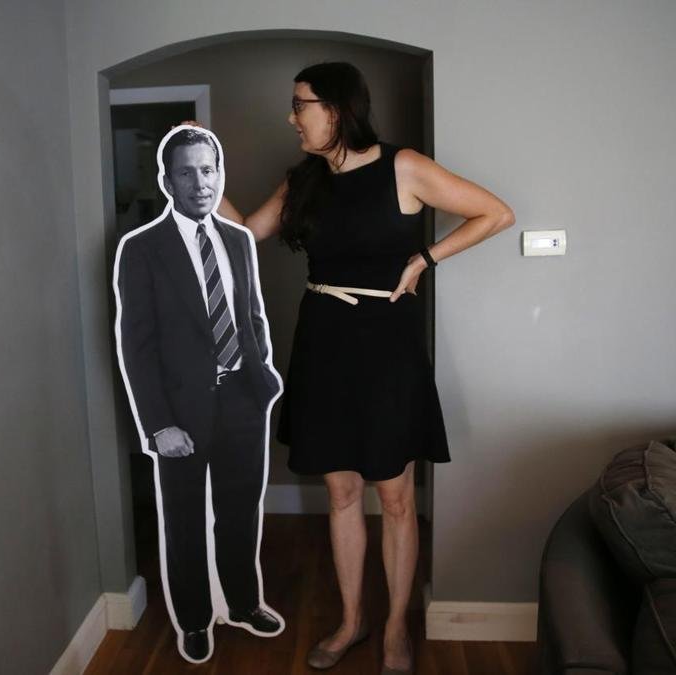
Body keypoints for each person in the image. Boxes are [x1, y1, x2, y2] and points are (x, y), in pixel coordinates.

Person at [216, 62, 515, 674]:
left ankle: (396, 627)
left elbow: (495, 213)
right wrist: (201, 165)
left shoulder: (403, 167)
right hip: (323, 344)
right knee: (341, 491)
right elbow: (244, 233)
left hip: (386, 349)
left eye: (300, 105)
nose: (291, 118)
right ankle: (353, 622)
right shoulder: (302, 180)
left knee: (395, 496)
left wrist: (425, 258)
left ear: (336, 108)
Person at [114, 127, 284, 664]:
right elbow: (137, 346)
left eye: (207, 170)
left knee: (240, 513)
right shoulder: (142, 250)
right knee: (185, 521)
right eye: (185, 172)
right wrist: (158, 424)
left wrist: (262, 378)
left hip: (243, 402)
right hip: (180, 413)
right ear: (167, 181)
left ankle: (243, 603)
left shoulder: (237, 240)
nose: (200, 182)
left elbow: (251, 316)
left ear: (219, 173)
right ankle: (193, 619)